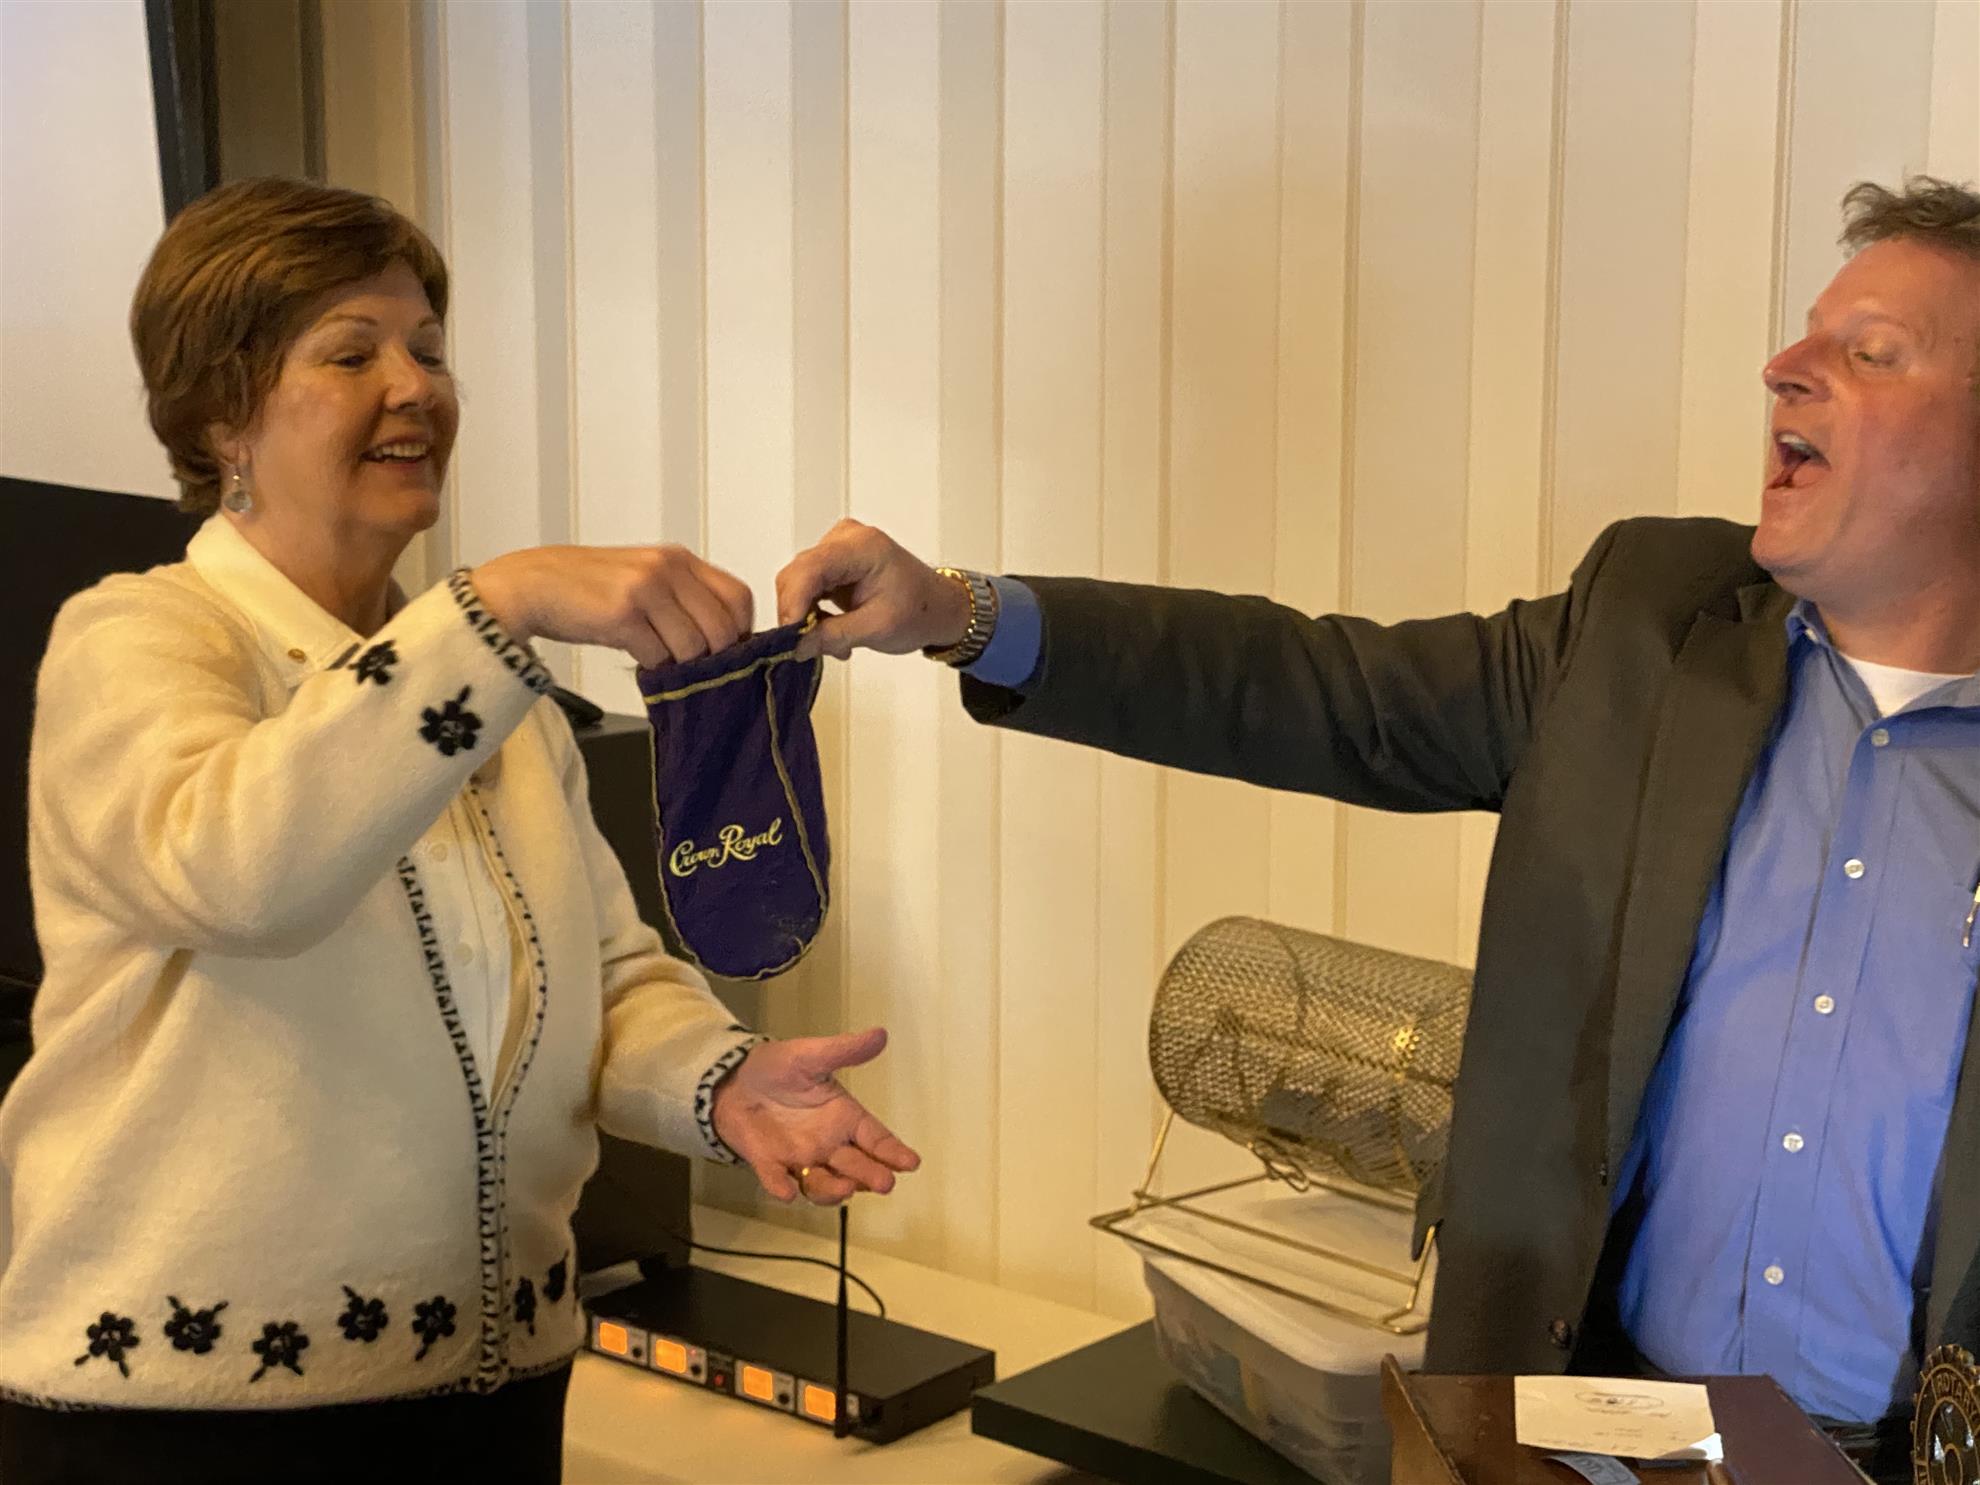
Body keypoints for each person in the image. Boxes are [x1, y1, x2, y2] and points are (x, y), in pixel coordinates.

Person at [775, 176, 1980, 1483]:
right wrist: (958, 613)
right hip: (1590, 1439)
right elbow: (1314, 689)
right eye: (1807, 335)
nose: (1785, 368)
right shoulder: (1648, 627)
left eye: (1871, 354)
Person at [0, 177, 918, 1485]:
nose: (415, 387)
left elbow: (601, 976)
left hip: (490, 1398)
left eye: (429, 349)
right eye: (351, 352)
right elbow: (239, 872)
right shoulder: (137, 638)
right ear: (220, 416)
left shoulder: (489, 695)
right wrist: (497, 606)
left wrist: (719, 1082)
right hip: (179, 1430)